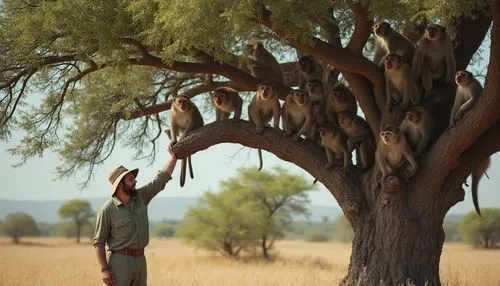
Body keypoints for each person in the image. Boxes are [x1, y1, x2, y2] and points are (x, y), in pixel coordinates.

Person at [93, 146, 178, 286]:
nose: (135, 182)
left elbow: (160, 180)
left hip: (140, 261)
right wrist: (104, 269)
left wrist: (173, 159)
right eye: (131, 179)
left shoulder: (142, 196)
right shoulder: (107, 209)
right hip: (119, 262)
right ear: (120, 185)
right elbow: (99, 242)